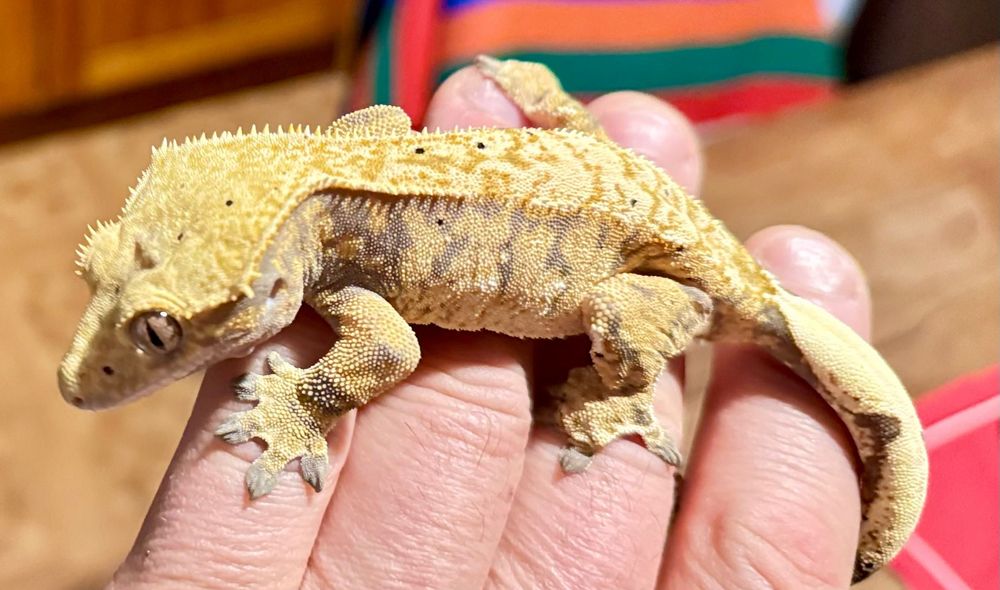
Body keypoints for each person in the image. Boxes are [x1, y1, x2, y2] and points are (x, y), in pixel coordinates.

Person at [106, 65, 871, 588]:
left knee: (617, 321)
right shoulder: (318, 188)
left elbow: (389, 348)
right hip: (612, 184)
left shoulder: (337, 271)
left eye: (162, 335)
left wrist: (304, 404)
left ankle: (627, 398)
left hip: (649, 262)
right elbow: (380, 120)